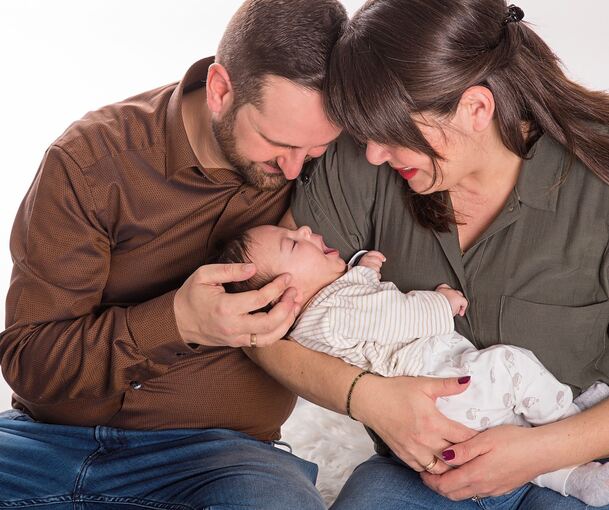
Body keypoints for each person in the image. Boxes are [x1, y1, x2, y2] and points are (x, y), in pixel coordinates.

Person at [259, 0, 608, 508]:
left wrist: (539, 450)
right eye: (365, 132)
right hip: (421, 473)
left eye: (390, 134)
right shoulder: (363, 165)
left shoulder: (596, 183)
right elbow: (257, 318)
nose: (374, 153)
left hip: (575, 466)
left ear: (476, 109)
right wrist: (366, 397)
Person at [0, 1, 347, 507]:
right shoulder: (91, 162)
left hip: (222, 459)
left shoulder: (327, 168)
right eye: (276, 143)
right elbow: (29, 361)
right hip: (44, 444)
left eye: (313, 151)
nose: (295, 171)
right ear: (221, 89)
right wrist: (178, 322)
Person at [217, 223, 609, 506]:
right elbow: (394, 315)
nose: (304, 230)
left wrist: (365, 267)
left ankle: (572, 474)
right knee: (509, 364)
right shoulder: (331, 314)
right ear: (287, 294)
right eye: (293, 243)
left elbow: (361, 298)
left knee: (505, 435)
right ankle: (568, 421)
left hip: (443, 399)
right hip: (439, 389)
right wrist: (441, 303)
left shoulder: (327, 309)